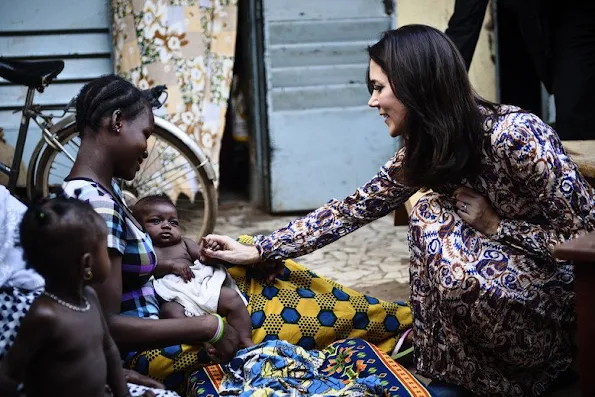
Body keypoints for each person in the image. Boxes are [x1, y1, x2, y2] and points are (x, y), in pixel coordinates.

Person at [200, 25, 595, 396]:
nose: (372, 101)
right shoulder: (425, 152)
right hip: (497, 300)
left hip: (552, 304)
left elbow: (589, 238)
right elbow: (350, 209)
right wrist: (262, 249)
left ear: (415, 85)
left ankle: (530, 374)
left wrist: (498, 227)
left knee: (431, 221)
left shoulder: (516, 135)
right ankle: (457, 372)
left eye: (379, 88)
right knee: (428, 213)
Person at [61, 74, 417, 395]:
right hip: (156, 344)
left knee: (259, 258)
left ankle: (393, 320)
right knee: (282, 317)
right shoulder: (96, 208)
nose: (147, 147)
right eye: (146, 134)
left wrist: (246, 253)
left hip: (177, 308)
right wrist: (207, 327)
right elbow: (104, 324)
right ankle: (397, 325)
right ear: (117, 122)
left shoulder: (103, 193)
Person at [0, 187, 178, 397]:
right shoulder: (44, 315)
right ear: (87, 264)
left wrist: (124, 395)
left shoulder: (89, 298)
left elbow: (109, 351)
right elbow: (9, 373)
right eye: (105, 249)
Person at [445, 0, 595, 140]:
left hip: (576, 15)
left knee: (574, 112)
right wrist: (438, 92)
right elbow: (464, 26)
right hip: (526, 18)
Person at [132, 195, 253, 348]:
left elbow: (204, 258)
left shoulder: (185, 243)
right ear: (139, 227)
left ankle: (245, 340)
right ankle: (205, 342)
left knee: (232, 298)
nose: (166, 226)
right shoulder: (145, 249)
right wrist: (170, 266)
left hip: (200, 287)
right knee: (169, 312)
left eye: (173, 222)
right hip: (174, 296)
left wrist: (209, 253)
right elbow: (145, 269)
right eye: (156, 221)